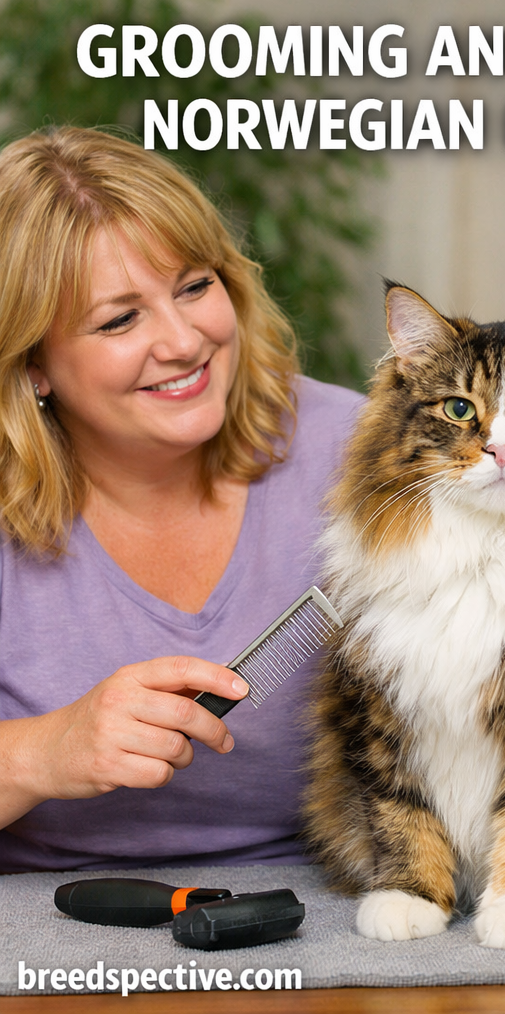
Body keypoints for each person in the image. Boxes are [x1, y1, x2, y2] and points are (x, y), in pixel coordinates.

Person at [0, 127, 363, 871]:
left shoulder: (360, 451)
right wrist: (42, 752)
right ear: (33, 363)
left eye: (195, 286)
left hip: (330, 901)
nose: (184, 341)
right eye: (119, 319)